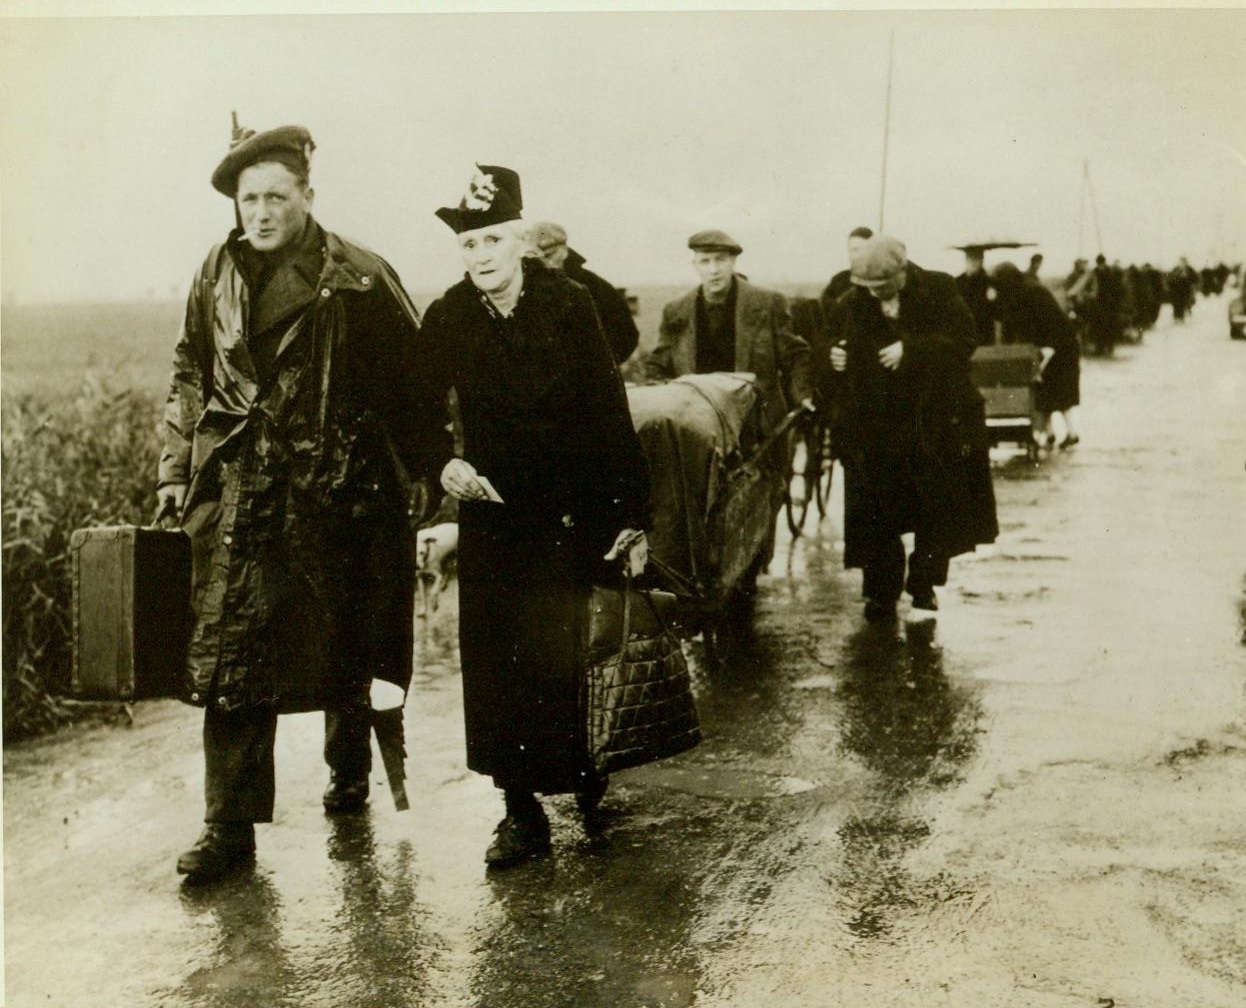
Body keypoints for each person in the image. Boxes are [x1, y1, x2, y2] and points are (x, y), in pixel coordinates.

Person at [157, 119, 431, 883]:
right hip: (241, 491)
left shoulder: (361, 277)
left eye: (278, 195)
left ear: (308, 197)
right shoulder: (216, 273)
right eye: (250, 198)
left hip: (338, 493)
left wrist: (425, 480)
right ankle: (228, 830)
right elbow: (190, 366)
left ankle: (350, 774)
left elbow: (413, 388)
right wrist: (175, 468)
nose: (263, 211)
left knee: (347, 640)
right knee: (235, 653)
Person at [412, 165, 653, 868]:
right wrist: (441, 463)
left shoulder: (569, 304)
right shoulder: (448, 316)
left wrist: (632, 515)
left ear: (520, 241)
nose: (480, 256)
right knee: (498, 663)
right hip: (495, 514)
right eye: (467, 245)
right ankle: (518, 812)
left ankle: (586, 772)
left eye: (491, 240)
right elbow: (412, 407)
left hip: (574, 509)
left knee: (573, 648)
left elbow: (611, 412)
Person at [825, 235, 998, 621]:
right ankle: (881, 592)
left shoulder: (939, 289)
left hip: (933, 420)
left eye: (884, 288)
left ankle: (923, 586)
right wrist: (835, 357)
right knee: (877, 510)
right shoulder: (852, 302)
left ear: (903, 272)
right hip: (879, 424)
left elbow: (965, 341)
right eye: (869, 289)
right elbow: (838, 345)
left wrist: (912, 349)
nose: (878, 296)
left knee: (935, 508)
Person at [990, 261, 1081, 450]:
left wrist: (1049, 346)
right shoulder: (1025, 291)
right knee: (1046, 391)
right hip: (1052, 345)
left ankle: (1067, 433)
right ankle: (1051, 434)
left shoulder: (1029, 293)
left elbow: (1046, 322)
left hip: (1058, 345)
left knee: (1056, 391)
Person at [526, 220, 639, 365]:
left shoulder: (593, 286)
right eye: (536, 258)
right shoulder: (524, 286)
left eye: (549, 255)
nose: (544, 263)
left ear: (563, 249)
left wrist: (598, 367)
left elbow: (627, 334)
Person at [820, 225, 874, 312]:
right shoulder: (838, 281)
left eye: (859, 250)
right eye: (852, 250)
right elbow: (826, 313)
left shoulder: (883, 283)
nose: (854, 256)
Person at [954, 246, 996, 346]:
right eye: (972, 259)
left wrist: (993, 299)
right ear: (966, 260)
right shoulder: (958, 282)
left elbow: (997, 310)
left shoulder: (989, 282)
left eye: (978, 259)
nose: (975, 263)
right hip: (964, 329)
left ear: (982, 261)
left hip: (984, 330)